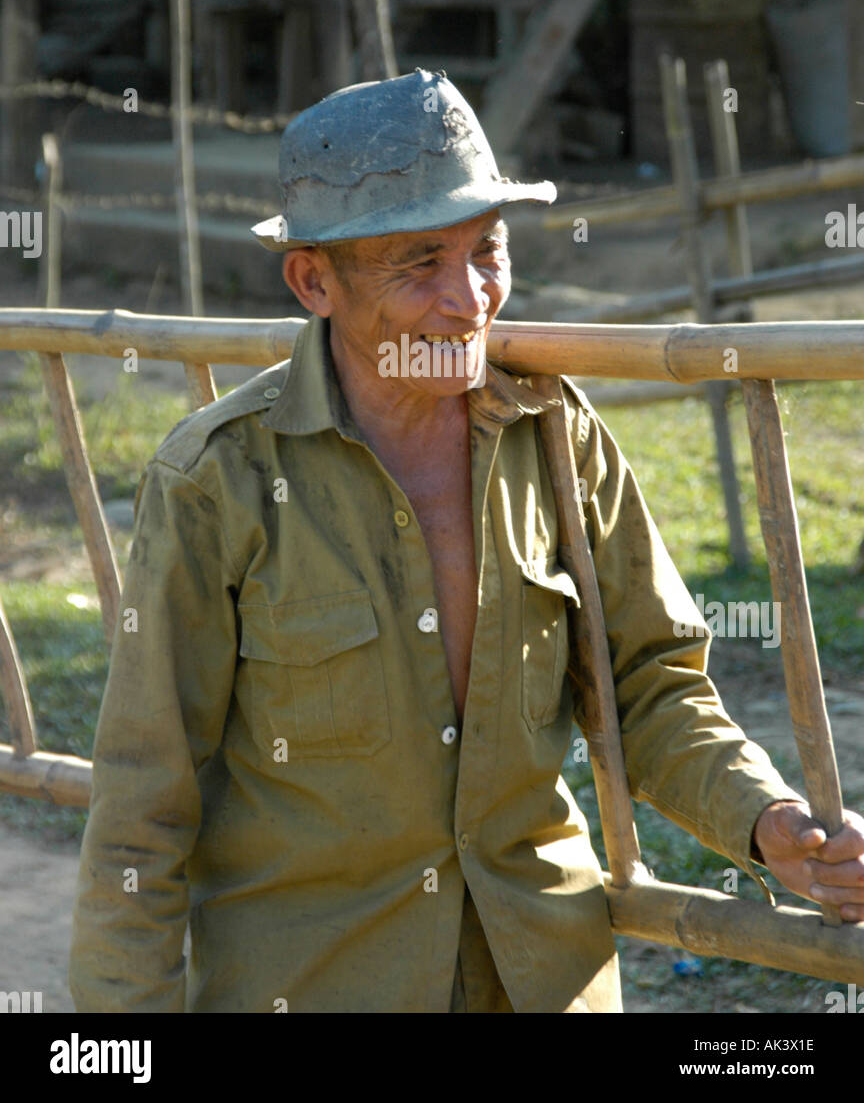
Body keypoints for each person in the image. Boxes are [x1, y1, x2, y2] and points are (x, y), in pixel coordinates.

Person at [68, 69, 864, 1013]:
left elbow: (649, 682)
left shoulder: (557, 438)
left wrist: (767, 823)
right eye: (419, 265)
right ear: (312, 280)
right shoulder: (219, 481)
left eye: (487, 250)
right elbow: (142, 802)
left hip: (539, 979)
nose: (470, 298)